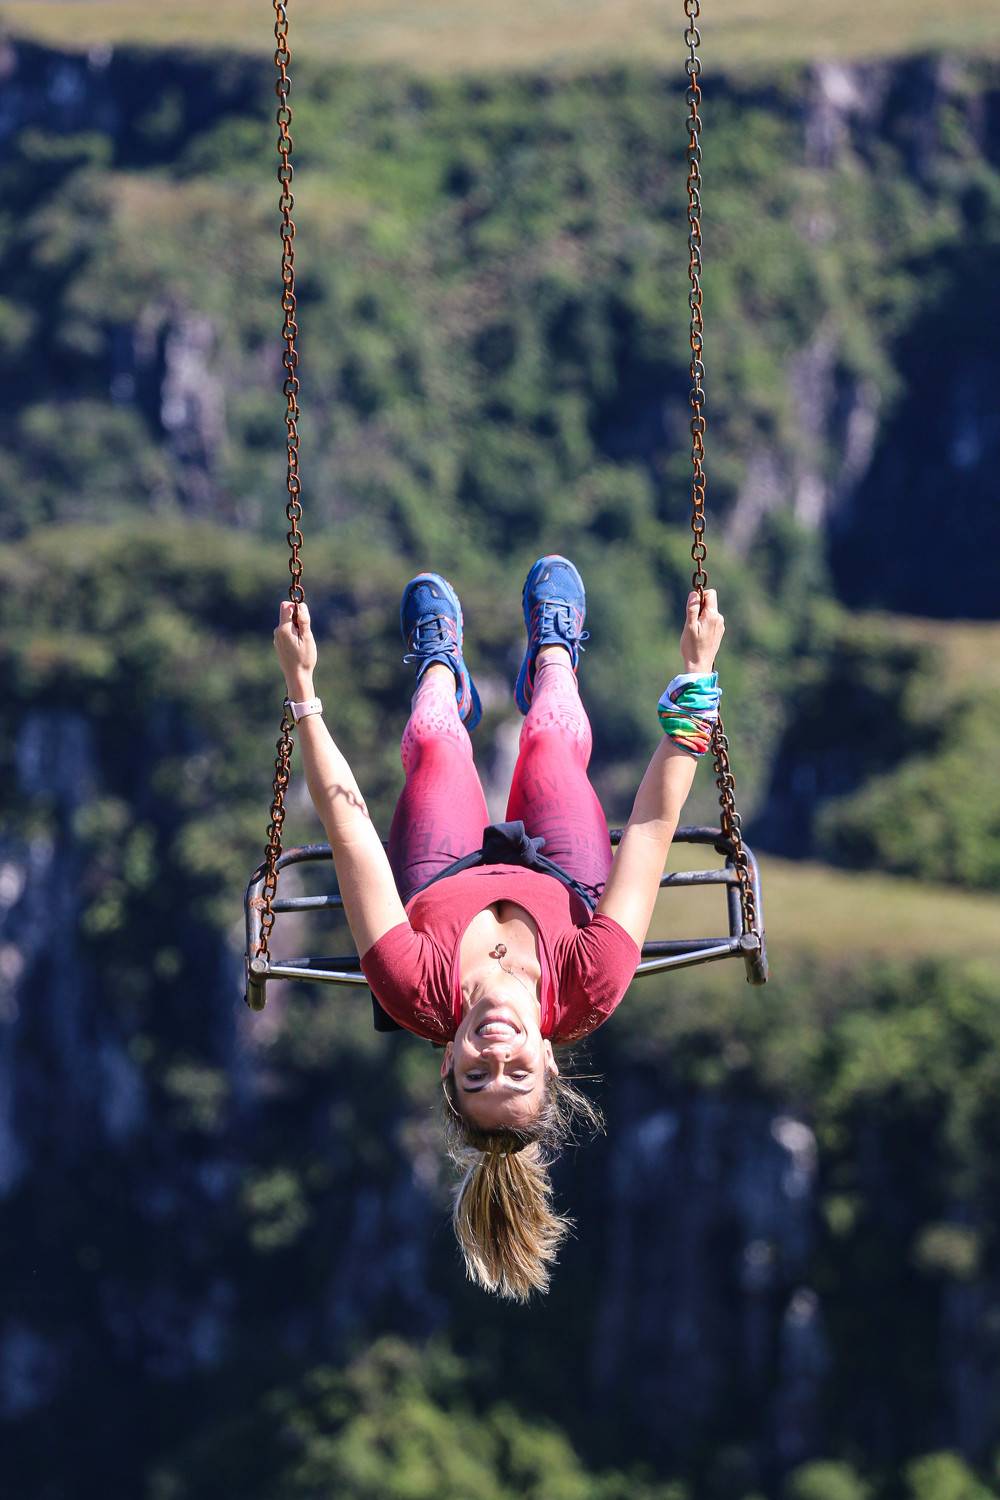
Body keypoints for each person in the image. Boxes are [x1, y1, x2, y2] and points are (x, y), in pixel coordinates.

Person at [273, 555, 725, 1300]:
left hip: (441, 877)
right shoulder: (591, 982)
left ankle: (441, 670)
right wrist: (698, 673)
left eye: (477, 1075)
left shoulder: (411, 987)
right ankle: (553, 656)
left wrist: (302, 690)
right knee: (548, 740)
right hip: (562, 875)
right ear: (549, 1061)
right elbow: (650, 827)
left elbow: (348, 829)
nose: (497, 1054)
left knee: (436, 742)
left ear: (446, 1063)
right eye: (517, 1073)